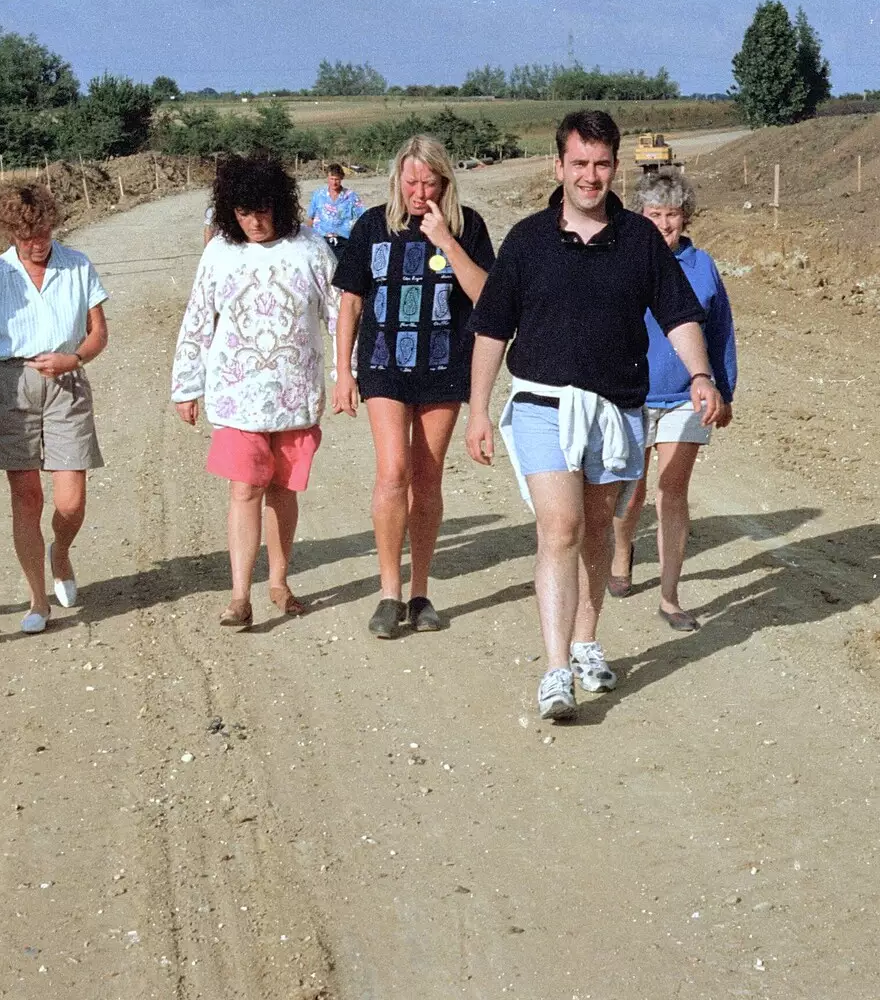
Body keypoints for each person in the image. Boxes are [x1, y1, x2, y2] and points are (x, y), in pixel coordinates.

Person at [464, 110, 725, 721]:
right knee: (559, 528)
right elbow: (491, 329)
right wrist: (478, 409)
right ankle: (555, 672)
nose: (590, 175)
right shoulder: (526, 239)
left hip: (617, 409)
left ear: (615, 168)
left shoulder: (638, 239)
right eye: (579, 163)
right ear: (558, 166)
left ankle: (584, 641)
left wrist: (702, 375)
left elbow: (678, 313)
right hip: (541, 403)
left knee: (596, 531)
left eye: (601, 164)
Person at [331, 134, 495, 638]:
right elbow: (351, 304)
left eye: (429, 181)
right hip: (383, 367)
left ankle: (420, 592)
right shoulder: (370, 226)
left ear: (445, 181)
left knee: (427, 479)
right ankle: (388, 594)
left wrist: (445, 239)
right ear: (396, 179)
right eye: (411, 181)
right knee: (393, 472)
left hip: (444, 368)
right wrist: (344, 373)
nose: (419, 190)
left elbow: (486, 297)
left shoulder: (468, 227)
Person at [171, 153, 338, 628]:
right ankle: (239, 596)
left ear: (279, 206)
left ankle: (279, 582)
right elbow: (198, 319)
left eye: (262, 210)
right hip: (236, 392)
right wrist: (187, 385)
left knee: (283, 490)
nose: (255, 221)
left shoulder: (311, 248)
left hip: (295, 392)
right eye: (243, 213)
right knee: (244, 488)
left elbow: (339, 313)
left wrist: (349, 373)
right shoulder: (220, 252)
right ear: (230, 212)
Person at [0, 183, 110, 635]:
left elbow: (98, 332)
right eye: (27, 235)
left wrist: (76, 358)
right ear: (11, 233)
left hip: (66, 382)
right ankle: (37, 599)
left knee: (71, 502)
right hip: (11, 387)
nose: (37, 242)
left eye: (44, 230)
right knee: (26, 498)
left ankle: (60, 553)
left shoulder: (77, 265)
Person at [609, 170, 738, 631]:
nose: (664, 224)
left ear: (687, 218)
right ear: (638, 216)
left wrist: (724, 389)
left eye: (673, 215)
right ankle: (622, 553)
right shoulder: (622, 258)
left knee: (671, 493)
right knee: (632, 487)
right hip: (629, 394)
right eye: (655, 214)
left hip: (686, 397)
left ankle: (669, 595)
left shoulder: (703, 266)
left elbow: (720, 331)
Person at [307, 163, 366, 259]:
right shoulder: (318, 195)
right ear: (327, 178)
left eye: (337, 179)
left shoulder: (351, 196)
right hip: (321, 240)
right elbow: (311, 218)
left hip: (343, 241)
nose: (334, 183)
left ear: (341, 178)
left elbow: (362, 219)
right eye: (331, 179)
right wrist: (308, 238)